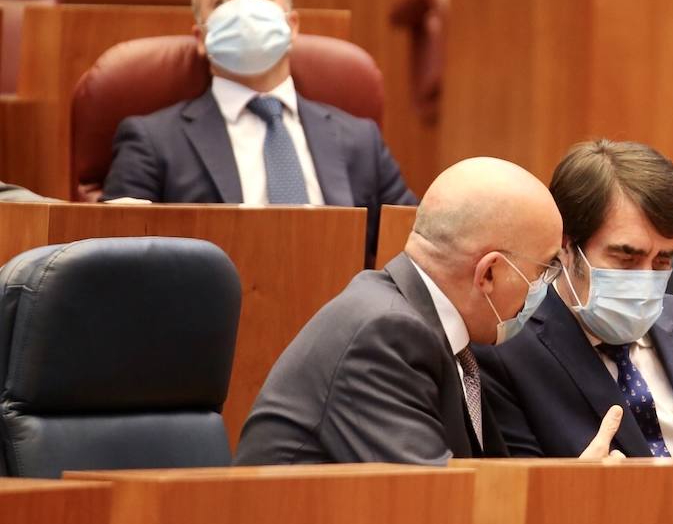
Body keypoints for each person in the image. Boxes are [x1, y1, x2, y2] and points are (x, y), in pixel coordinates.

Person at [234, 157, 625, 465]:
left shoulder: (435, 331)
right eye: (542, 270)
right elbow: (434, 507)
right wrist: (566, 493)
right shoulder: (384, 336)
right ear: (488, 273)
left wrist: (565, 481)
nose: (544, 286)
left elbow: (479, 477)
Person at [475, 140, 673, 458]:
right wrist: (574, 483)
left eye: (663, 260)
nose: (645, 276)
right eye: (626, 257)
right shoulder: (504, 351)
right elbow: (518, 492)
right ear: (565, 247)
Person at [100, 0, 417, 257]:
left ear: (291, 26)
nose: (243, 7)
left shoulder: (361, 140)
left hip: (343, 307)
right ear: (201, 38)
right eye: (222, 0)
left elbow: (413, 247)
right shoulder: (152, 141)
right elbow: (116, 260)